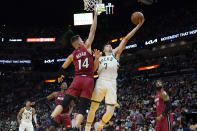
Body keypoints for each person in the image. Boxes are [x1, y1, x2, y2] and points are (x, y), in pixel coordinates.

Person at [85, 16, 144, 131]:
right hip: (101, 80)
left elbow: (126, 39)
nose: (110, 46)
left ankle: (100, 126)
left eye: (110, 45)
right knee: (93, 108)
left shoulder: (115, 55)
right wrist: (96, 59)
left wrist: (138, 26)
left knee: (110, 111)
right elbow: (92, 71)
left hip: (112, 83)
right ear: (104, 49)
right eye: (107, 45)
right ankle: (87, 128)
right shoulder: (100, 57)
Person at [50, 8, 99, 131]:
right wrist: (96, 15)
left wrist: (60, 76)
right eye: (82, 40)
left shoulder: (72, 55)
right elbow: (93, 30)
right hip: (88, 80)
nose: (83, 41)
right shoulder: (87, 46)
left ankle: (51, 117)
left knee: (63, 103)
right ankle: (76, 127)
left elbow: (63, 67)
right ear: (80, 43)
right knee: (82, 108)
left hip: (77, 80)